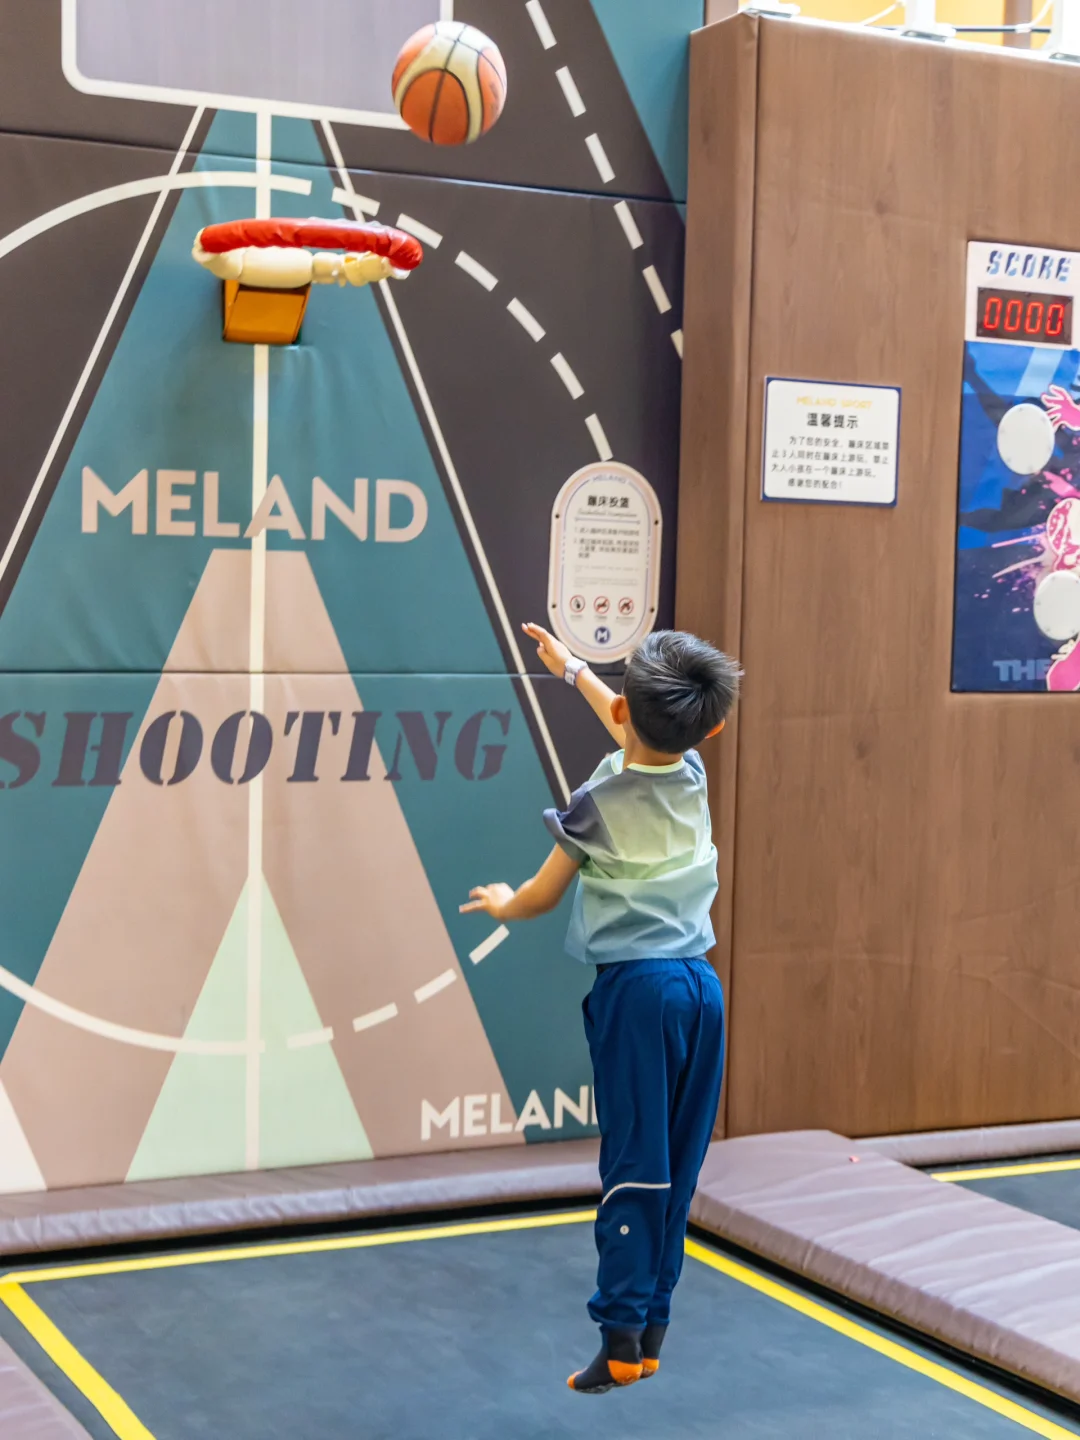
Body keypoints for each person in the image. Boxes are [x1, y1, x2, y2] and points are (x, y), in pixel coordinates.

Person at [460, 621, 741, 1395]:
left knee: (633, 1166)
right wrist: (573, 670)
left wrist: (504, 901)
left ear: (625, 711)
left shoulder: (597, 806)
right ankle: (651, 1334)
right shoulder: (692, 774)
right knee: (677, 1168)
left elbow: (541, 896)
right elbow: (630, 724)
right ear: (710, 729)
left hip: (639, 994)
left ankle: (617, 1339)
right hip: (701, 990)